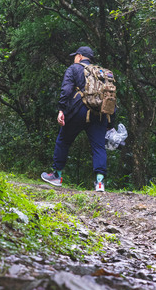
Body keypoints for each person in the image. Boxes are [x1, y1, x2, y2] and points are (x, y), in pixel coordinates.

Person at [41, 46, 112, 192]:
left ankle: (57, 175)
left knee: (64, 140)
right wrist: (110, 121)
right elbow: (110, 97)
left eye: (75, 56)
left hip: (78, 110)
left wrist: (61, 109)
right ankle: (100, 183)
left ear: (79, 56)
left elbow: (66, 89)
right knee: (98, 147)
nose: (74, 58)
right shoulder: (102, 73)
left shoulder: (74, 68)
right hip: (99, 113)